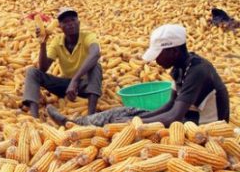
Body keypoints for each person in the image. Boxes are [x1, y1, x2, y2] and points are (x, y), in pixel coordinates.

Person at [46, 24, 230, 127]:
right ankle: (76, 124)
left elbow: (174, 116)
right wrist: (133, 118)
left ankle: (93, 127)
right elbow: (169, 105)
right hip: (184, 118)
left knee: (126, 124)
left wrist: (134, 124)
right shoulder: (179, 67)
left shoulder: (197, 70)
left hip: (203, 126)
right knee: (124, 111)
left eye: (158, 54)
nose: (156, 60)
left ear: (173, 51)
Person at [22, 7, 102, 118]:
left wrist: (75, 80)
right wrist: (43, 43)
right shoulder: (57, 41)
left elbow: (95, 53)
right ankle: (34, 117)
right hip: (65, 86)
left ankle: (91, 116)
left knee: (96, 66)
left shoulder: (88, 36)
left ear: (78, 23)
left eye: (73, 20)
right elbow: (43, 69)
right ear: (60, 26)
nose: (70, 24)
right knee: (32, 71)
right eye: (65, 22)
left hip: (85, 85)